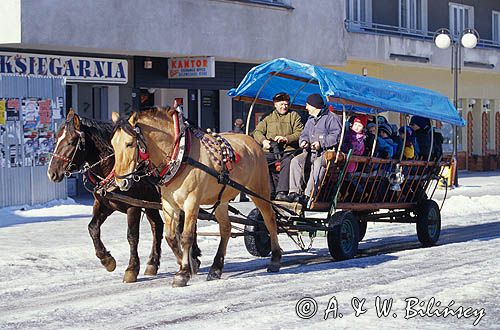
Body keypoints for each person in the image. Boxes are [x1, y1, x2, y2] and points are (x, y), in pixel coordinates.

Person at [284, 93, 342, 205]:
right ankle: (294, 193)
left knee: (318, 164)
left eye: (307, 105)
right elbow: (304, 135)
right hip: (310, 152)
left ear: (314, 105)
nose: (306, 108)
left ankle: (308, 195)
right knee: (296, 161)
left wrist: (321, 143)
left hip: (327, 154)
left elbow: (336, 136)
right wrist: (303, 142)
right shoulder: (310, 120)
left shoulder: (332, 118)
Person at [252, 92, 304, 199]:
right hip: (271, 150)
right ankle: (269, 191)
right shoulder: (268, 117)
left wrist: (286, 138)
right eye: (281, 104)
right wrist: (263, 141)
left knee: (287, 161)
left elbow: (300, 133)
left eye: (286, 104)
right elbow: (257, 132)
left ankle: (281, 192)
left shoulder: (294, 116)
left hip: (288, 150)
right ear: (275, 104)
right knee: (260, 160)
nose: (284, 107)